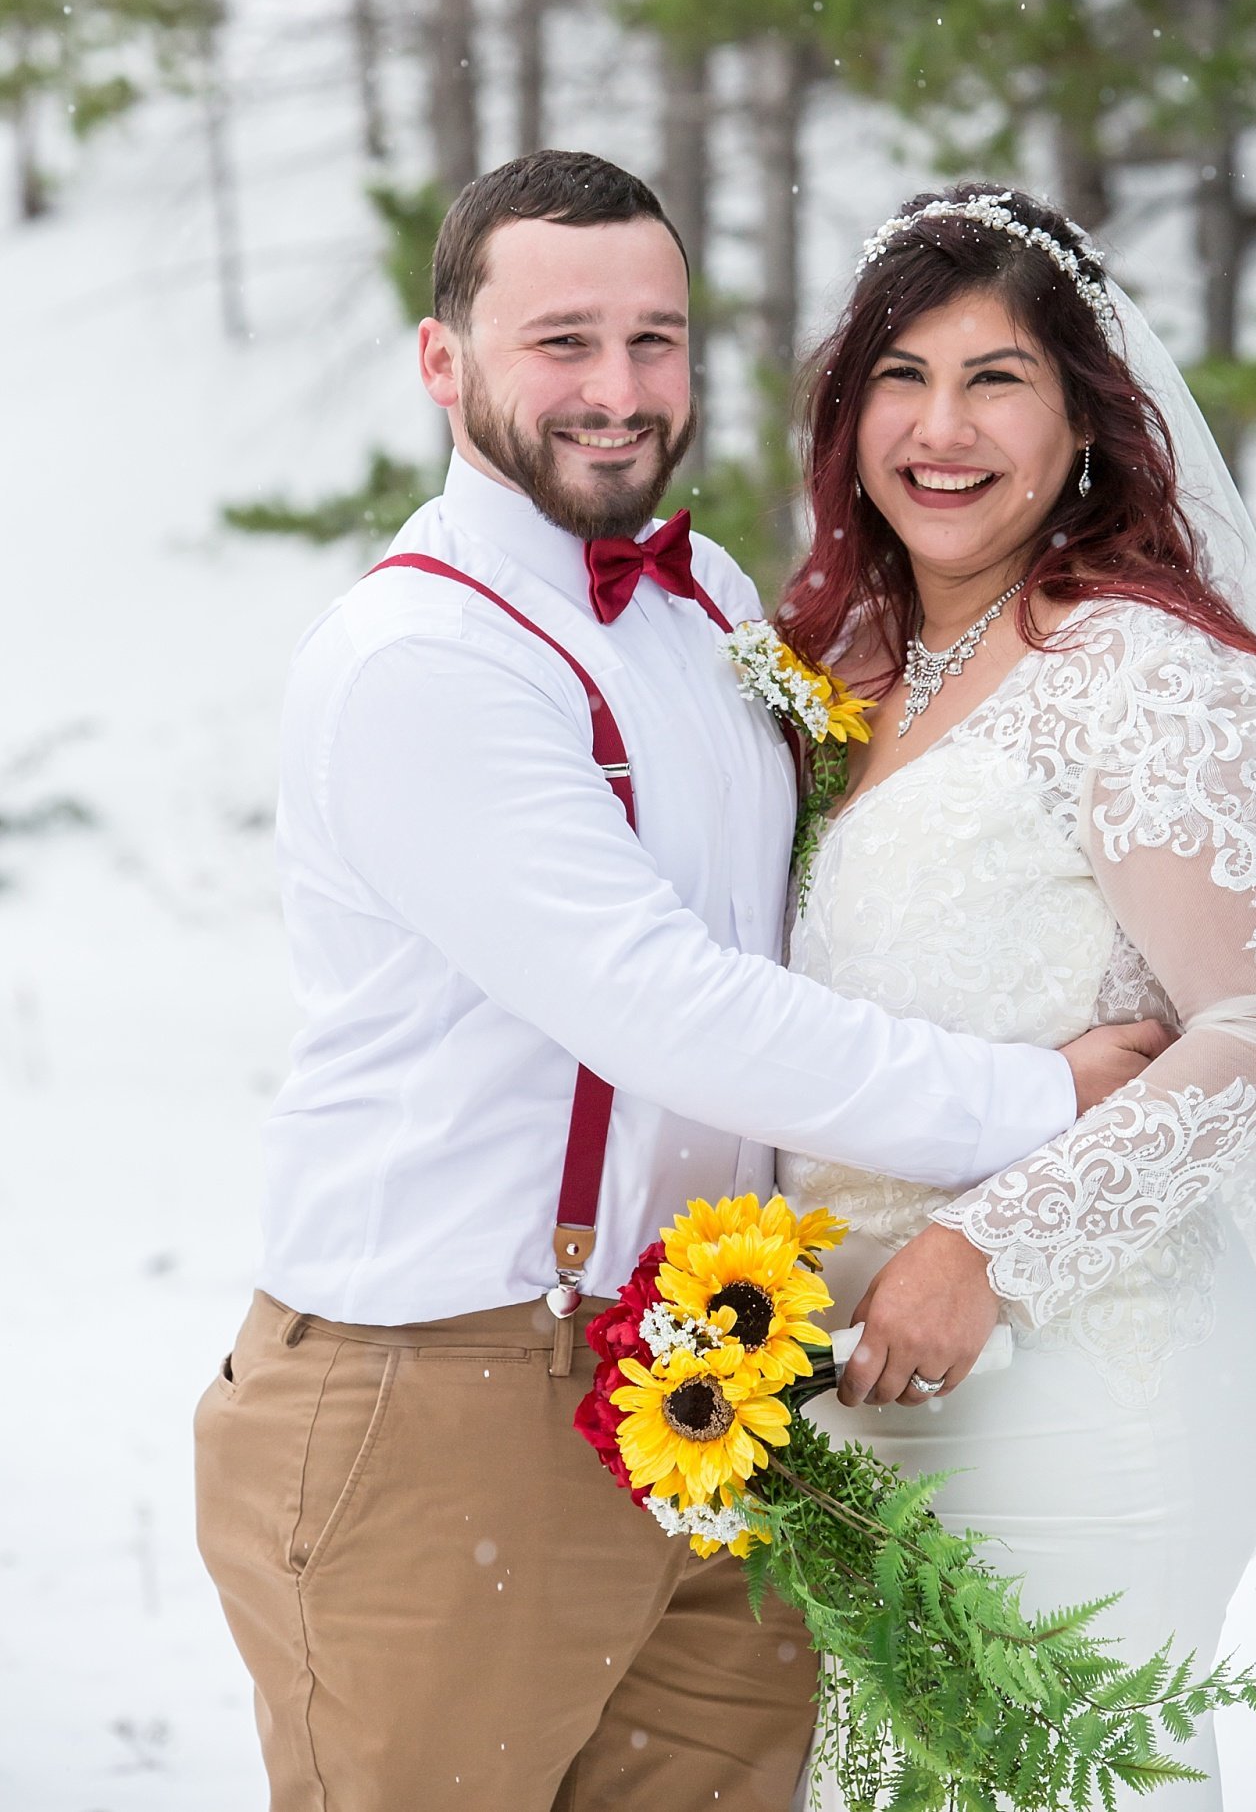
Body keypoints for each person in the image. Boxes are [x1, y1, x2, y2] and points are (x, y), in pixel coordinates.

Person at [193, 151, 1167, 1812]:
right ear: (445, 363)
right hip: (446, 1390)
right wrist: (1037, 1095)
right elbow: (665, 1004)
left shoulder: (707, 598)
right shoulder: (425, 661)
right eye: (561, 340)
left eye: (657, 339)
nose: (619, 389)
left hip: (711, 1388)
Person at [776, 183, 1256, 1810]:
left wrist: (983, 1252)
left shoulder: (1137, 673)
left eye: (997, 378)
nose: (944, 427)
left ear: (1086, 418)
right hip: (853, 1396)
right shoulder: (849, 667)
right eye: (903, 376)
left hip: (1085, 1366)